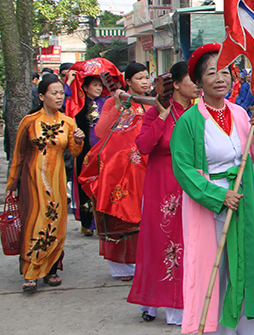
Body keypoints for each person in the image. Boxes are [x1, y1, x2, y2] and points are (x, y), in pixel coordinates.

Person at [170, 43, 254, 335]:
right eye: (211, 72)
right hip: (210, 204)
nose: (220, 77)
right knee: (216, 276)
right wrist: (217, 196)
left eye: (225, 70)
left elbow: (252, 156)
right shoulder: (188, 122)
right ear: (198, 81)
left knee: (249, 268)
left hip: (243, 200)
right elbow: (183, 169)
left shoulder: (241, 114)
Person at [128, 61, 200, 325]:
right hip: (160, 185)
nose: (197, 85)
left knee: (184, 243)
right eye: (193, 80)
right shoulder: (156, 112)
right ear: (178, 84)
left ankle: (179, 303)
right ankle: (152, 301)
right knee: (159, 241)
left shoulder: (197, 112)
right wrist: (160, 117)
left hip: (187, 185)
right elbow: (143, 146)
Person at [6, 75, 85, 294]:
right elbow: (18, 154)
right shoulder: (29, 122)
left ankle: (51, 269)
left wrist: (78, 139)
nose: (59, 97)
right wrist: (12, 183)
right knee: (33, 222)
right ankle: (31, 271)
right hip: (32, 181)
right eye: (54, 93)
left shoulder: (68, 122)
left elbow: (74, 152)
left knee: (55, 224)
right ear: (41, 96)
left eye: (61, 93)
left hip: (57, 180)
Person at [79, 62, 151, 280]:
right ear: (128, 82)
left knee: (144, 215)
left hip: (145, 167)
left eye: (147, 77)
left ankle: (143, 261)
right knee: (120, 216)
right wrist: (119, 106)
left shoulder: (151, 103)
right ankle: (121, 266)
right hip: (117, 170)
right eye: (139, 78)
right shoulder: (113, 101)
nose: (145, 81)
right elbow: (101, 131)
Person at [73, 75, 106, 236]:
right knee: (85, 185)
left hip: (102, 151)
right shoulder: (78, 105)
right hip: (85, 151)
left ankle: (101, 222)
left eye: (100, 85)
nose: (98, 88)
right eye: (95, 85)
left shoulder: (105, 103)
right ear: (85, 88)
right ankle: (87, 222)